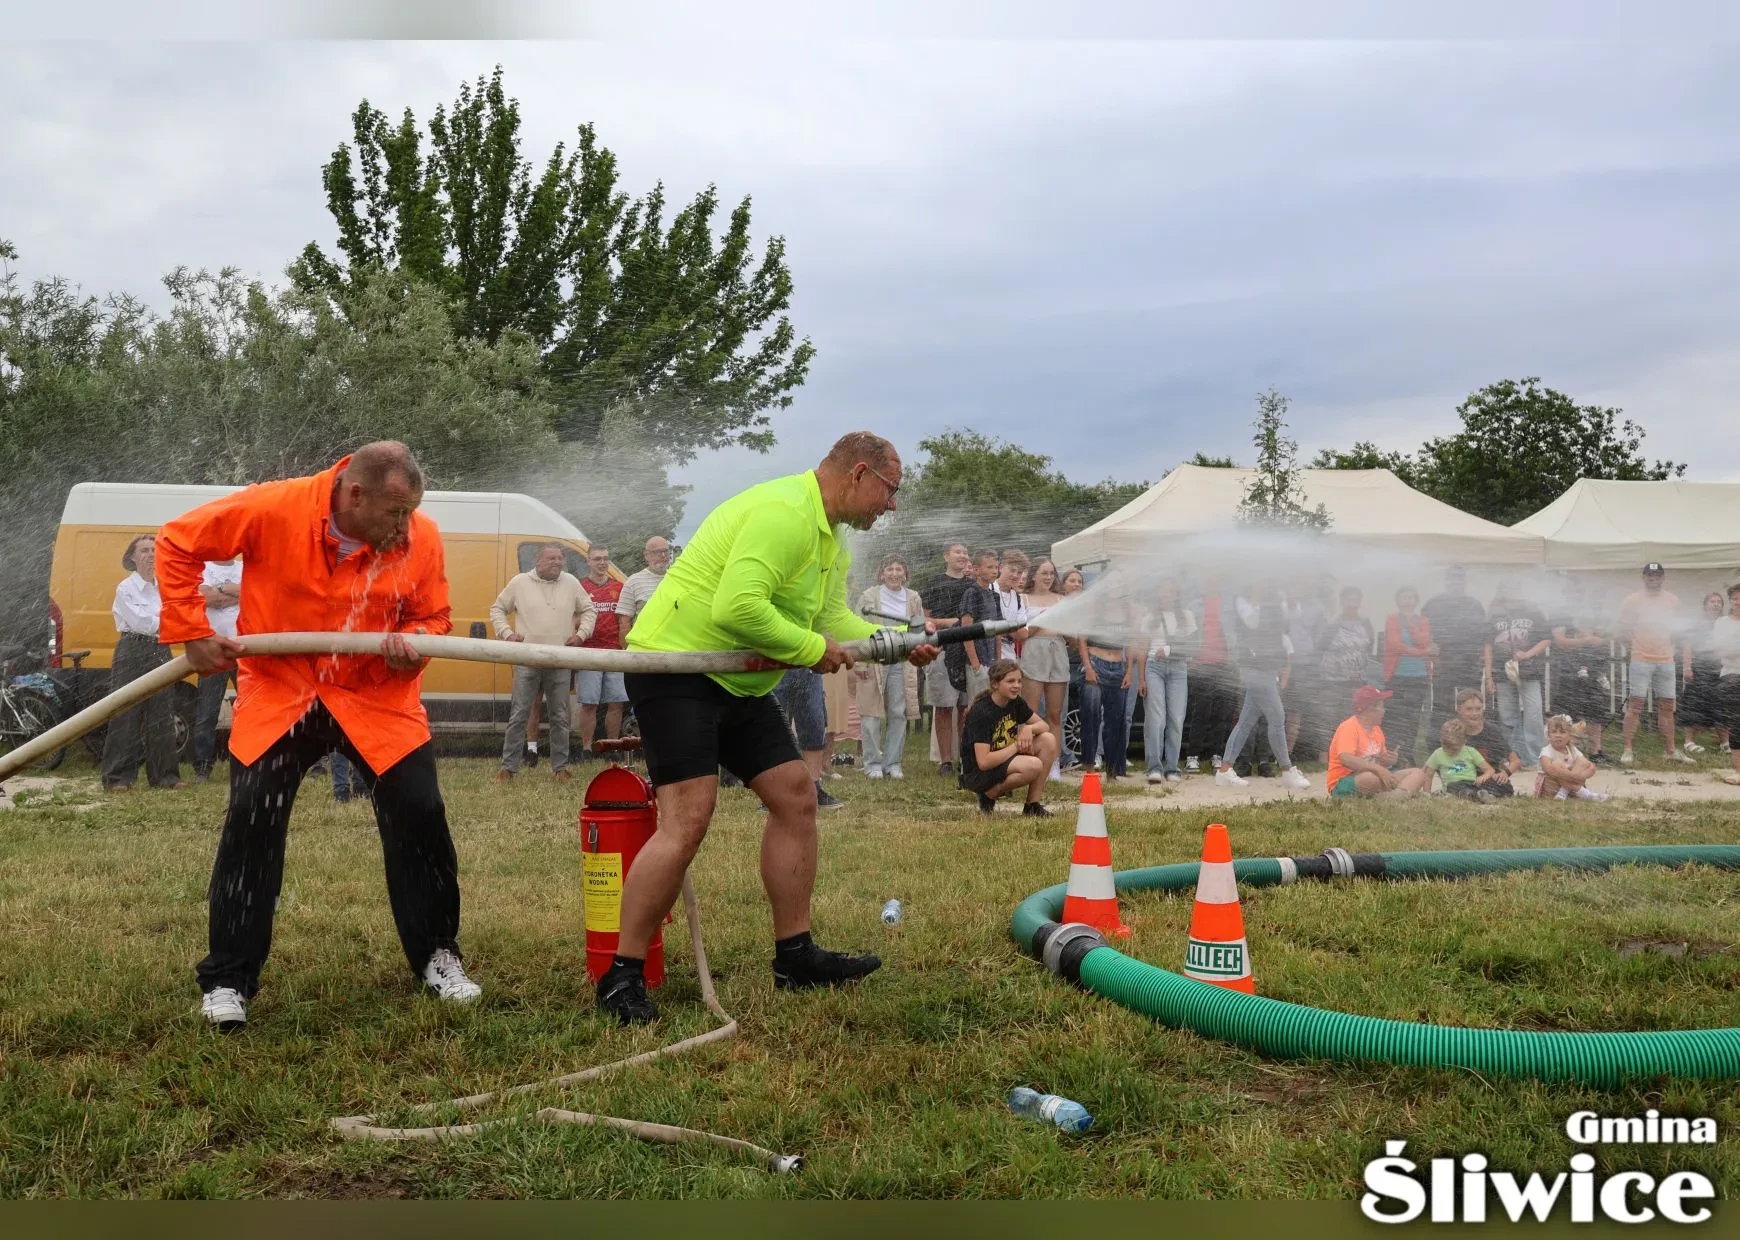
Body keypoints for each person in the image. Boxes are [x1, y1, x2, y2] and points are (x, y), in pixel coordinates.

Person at [602, 431, 938, 1025]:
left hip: (739, 680)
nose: (891, 507)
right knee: (689, 821)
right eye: (890, 492)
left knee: (794, 792)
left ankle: (795, 957)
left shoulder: (828, 535)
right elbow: (738, 609)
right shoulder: (784, 514)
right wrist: (813, 649)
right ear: (859, 474)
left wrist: (896, 645)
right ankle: (621, 975)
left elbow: (829, 617)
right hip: (677, 669)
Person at [157, 441, 481, 1031]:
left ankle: (438, 954)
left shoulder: (421, 535)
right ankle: (229, 978)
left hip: (375, 695)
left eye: (410, 513)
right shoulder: (271, 509)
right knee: (252, 818)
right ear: (354, 494)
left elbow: (433, 615)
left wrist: (415, 645)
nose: (404, 527)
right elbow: (177, 542)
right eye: (394, 513)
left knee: (420, 812)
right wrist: (190, 629)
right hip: (282, 690)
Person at [490, 542, 597, 781]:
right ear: (537, 561)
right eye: (552, 558)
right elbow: (497, 609)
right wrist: (507, 634)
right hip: (527, 659)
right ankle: (508, 768)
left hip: (560, 659)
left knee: (560, 716)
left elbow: (589, 610)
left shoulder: (571, 582)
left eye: (560, 558)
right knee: (519, 714)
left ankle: (560, 769)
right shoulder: (519, 582)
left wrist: (581, 635)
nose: (558, 562)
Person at [100, 533, 186, 793]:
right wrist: (169, 619)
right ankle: (118, 778)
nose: (151, 554)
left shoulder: (165, 588)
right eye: (145, 550)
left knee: (162, 713)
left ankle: (165, 777)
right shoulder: (125, 588)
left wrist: (167, 619)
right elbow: (142, 623)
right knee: (126, 712)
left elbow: (170, 617)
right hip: (132, 649)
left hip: (160, 649)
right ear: (133, 558)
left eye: (154, 550)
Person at [1215, 584, 1312, 790]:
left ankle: (1224, 770)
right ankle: (1287, 771)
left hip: (1267, 670)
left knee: (1245, 722)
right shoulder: (1245, 602)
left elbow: (1293, 614)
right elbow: (1252, 622)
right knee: (1277, 718)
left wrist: (1291, 600)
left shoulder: (1274, 601)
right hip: (1256, 671)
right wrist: (1261, 601)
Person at [854, 554, 925, 779]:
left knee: (898, 712)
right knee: (870, 713)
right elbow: (857, 629)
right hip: (874, 659)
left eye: (899, 569)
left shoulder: (913, 597)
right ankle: (872, 764)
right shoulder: (869, 596)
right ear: (881, 573)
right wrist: (860, 661)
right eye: (890, 569)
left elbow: (918, 630)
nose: (894, 573)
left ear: (905, 574)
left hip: (901, 662)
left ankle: (892, 763)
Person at [958, 659, 1058, 816]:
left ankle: (1032, 805)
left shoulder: (1015, 702)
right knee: (1033, 766)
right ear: (995, 684)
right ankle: (989, 794)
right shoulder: (982, 712)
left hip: (1004, 757)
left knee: (1048, 740)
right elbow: (984, 762)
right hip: (978, 773)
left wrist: (1028, 729)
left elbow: (1044, 726)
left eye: (1019, 681)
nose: (1017, 686)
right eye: (1010, 681)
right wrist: (1016, 746)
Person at [1617, 562, 1694, 766]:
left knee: (1668, 707)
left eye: (1657, 575)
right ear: (1643, 577)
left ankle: (1670, 750)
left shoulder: (1673, 601)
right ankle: (1627, 750)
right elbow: (1622, 629)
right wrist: (1631, 648)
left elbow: (1681, 631)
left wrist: (1681, 656)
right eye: (1650, 575)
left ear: (1663, 578)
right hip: (1641, 659)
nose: (1653, 578)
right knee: (1635, 706)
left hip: (1666, 661)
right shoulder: (1632, 601)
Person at [919, 540, 973, 776]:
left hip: (968, 653)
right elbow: (924, 620)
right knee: (943, 707)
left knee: (965, 707)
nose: (962, 556)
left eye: (965, 552)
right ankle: (946, 762)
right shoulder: (934, 583)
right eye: (957, 552)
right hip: (941, 651)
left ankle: (964, 758)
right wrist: (952, 623)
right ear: (946, 556)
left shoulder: (973, 586)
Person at [1549, 576, 1615, 763]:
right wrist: (1586, 640)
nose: (1576, 595)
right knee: (1567, 713)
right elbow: (1560, 641)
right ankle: (1564, 752)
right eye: (1572, 591)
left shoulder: (1588, 612)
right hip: (1568, 669)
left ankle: (1596, 752)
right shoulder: (1560, 613)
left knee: (1596, 710)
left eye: (1579, 592)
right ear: (1565, 593)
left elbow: (1601, 633)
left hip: (1592, 667)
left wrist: (1599, 637)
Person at [1485, 580, 1550, 771]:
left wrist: (1527, 654)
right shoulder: (1494, 615)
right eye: (1507, 587)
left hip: (1529, 671)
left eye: (1515, 587)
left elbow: (1546, 638)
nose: (1511, 591)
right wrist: (1488, 676)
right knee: (1507, 716)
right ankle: (1513, 756)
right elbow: (1488, 646)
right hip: (1502, 671)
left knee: (1534, 712)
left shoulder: (1532, 611)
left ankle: (1535, 758)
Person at [1325, 685, 1429, 799]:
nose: (1384, 710)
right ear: (1370, 709)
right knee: (1370, 778)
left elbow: (1380, 762)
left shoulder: (1377, 730)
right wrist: (1378, 769)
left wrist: (1389, 761)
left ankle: (1397, 797)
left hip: (1374, 777)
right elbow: (1345, 758)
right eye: (1382, 706)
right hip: (1343, 783)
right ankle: (1397, 794)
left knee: (1418, 773)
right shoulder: (1349, 727)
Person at [190, 556, 242, 783]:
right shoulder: (204, 567)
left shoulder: (245, 567)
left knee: (250, 708)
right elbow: (205, 597)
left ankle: (246, 760)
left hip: (244, 649)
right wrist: (234, 592)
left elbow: (252, 592)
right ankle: (202, 767)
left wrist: (219, 591)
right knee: (207, 712)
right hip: (213, 649)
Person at [1139, 576, 1196, 784]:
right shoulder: (1149, 618)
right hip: (1154, 668)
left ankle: (1172, 767)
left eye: (1171, 591)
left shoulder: (1187, 617)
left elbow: (1193, 645)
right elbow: (1143, 648)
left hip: (1179, 669)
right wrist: (1142, 679)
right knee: (1156, 719)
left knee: (1176, 719)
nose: (1167, 595)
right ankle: (1154, 767)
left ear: (1177, 595)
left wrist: (1171, 650)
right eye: (1163, 591)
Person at [1421, 566, 1488, 739]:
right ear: (1447, 581)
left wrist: (1480, 658)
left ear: (1464, 582)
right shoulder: (1434, 603)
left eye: (1459, 579)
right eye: (1452, 579)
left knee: (1471, 706)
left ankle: (1472, 743)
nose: (1456, 582)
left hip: (1470, 663)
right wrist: (1429, 646)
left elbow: (1483, 633)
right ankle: (1438, 744)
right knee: (1441, 706)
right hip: (1444, 663)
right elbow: (1422, 627)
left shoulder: (1474, 604)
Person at [574, 544, 627, 757]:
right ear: (588, 561)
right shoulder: (579, 587)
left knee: (616, 703)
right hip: (588, 652)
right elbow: (571, 617)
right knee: (589, 704)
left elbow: (624, 620)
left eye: (605, 558)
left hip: (614, 652)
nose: (602, 562)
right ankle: (587, 748)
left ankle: (611, 746)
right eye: (597, 559)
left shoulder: (619, 587)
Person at [1018, 558, 1069, 778]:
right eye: (1044, 573)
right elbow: (1023, 633)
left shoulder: (1062, 599)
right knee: (1029, 712)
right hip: (1033, 652)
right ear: (1034, 575)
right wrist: (1044, 618)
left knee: (1055, 714)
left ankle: (1053, 764)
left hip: (1057, 651)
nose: (1048, 578)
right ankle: (1028, 759)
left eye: (1051, 574)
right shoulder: (1023, 599)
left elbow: (1069, 634)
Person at [773, 668, 844, 810]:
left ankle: (813, 788)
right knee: (774, 726)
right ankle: (774, 793)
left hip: (809, 663)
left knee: (814, 722)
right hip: (775, 664)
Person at [1076, 618, 1136, 779]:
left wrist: (1130, 671)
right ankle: (1090, 770)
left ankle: (1112, 772)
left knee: (1116, 723)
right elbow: (1081, 639)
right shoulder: (1094, 607)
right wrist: (1088, 667)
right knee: (1090, 718)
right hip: (1095, 664)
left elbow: (1130, 643)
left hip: (1118, 667)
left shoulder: (1125, 610)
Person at [1383, 587, 1435, 766]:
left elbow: (1424, 640)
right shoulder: (1392, 619)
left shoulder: (1423, 620)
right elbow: (1395, 645)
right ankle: (1391, 754)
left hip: (1419, 675)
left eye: (1411, 597)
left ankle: (1407, 754)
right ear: (1397, 600)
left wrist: (1411, 625)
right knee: (1395, 715)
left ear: (1416, 600)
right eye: (1404, 596)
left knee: (1413, 717)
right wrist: (1420, 652)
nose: (1407, 600)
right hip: (1397, 675)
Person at [1318, 586, 1376, 736]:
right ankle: (1327, 750)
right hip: (1333, 679)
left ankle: (1349, 747)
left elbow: (1369, 646)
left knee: (1353, 715)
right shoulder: (1333, 624)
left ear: (1360, 602)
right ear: (1342, 601)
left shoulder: (1365, 623)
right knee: (1330, 715)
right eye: (1348, 599)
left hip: (1357, 680)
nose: (1352, 603)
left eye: (1355, 599)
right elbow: (1322, 646)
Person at [1284, 576, 1330, 761]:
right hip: (1281, 663)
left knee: (1298, 711)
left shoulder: (1317, 608)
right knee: (1278, 709)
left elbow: (1321, 639)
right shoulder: (1282, 604)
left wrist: (1314, 660)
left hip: (1304, 666)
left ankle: (1290, 752)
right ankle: (1271, 751)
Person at [1680, 591, 1729, 756]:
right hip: (1699, 670)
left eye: (1718, 602)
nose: (1716, 604)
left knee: (1721, 706)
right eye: (1712, 601)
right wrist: (1687, 667)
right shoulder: (1697, 625)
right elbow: (1688, 646)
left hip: (1722, 670)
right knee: (1694, 705)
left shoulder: (1726, 623)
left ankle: (1725, 743)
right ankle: (1689, 742)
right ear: (1705, 605)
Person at [959, 550, 1004, 702]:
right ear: (976, 570)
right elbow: (966, 631)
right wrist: (976, 665)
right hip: (977, 662)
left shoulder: (994, 596)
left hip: (992, 663)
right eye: (990, 567)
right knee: (978, 706)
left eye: (996, 567)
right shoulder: (972, 593)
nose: (994, 571)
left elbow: (998, 631)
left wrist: (998, 660)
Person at [1455, 688, 1517, 798]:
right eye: (1469, 709)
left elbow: (1515, 760)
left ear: (1483, 709)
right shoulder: (1454, 731)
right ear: (1459, 710)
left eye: (1478, 709)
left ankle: (1479, 795)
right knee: (1456, 785)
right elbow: (1442, 759)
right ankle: (1477, 794)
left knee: (1504, 787)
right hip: (1464, 777)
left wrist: (1505, 773)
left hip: (1489, 778)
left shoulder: (1492, 731)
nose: (1474, 713)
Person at [1424, 719, 1498, 801]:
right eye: (1446, 746)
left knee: (1476, 787)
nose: (1449, 750)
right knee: (1453, 786)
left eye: (1454, 749)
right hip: (1451, 786)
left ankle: (1479, 795)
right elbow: (1428, 775)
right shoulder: (1438, 753)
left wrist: (1483, 777)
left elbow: (1490, 770)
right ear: (1441, 740)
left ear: (1464, 742)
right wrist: (1427, 793)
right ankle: (1477, 796)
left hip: (1471, 783)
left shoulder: (1470, 751)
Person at [1537, 715, 1607, 800]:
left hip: (1568, 782)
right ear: (1548, 735)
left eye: (1562, 732)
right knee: (1557, 764)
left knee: (1584, 763)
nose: (1558, 735)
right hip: (1551, 786)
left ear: (1569, 735)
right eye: (1554, 732)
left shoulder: (1572, 749)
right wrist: (1575, 777)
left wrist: (1577, 776)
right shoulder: (1546, 751)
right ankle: (1585, 793)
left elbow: (1590, 767)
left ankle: (1564, 791)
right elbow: (1549, 769)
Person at [617, 535, 673, 641]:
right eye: (657, 552)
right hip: (644, 648)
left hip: (673, 645)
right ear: (646, 555)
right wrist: (629, 650)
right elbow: (624, 622)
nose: (663, 555)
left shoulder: (676, 578)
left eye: (666, 551)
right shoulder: (633, 582)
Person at [1711, 583, 1740, 786]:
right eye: (1735, 598)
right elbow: (1723, 650)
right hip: (1732, 676)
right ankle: (1738, 770)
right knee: (1737, 724)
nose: (1738, 602)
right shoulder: (1722, 623)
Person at [1059, 568, 1087, 769]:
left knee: (1062, 712)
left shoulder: (1085, 608)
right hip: (1061, 661)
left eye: (1079, 581)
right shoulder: (1058, 604)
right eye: (1072, 581)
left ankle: (1065, 756)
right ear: (1063, 584)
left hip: (1077, 664)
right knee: (1056, 711)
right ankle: (1060, 756)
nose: (1076, 584)